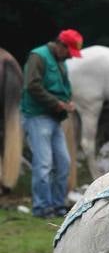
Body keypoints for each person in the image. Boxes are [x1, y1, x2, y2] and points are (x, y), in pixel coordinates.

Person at [21, 29, 82, 218]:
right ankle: (41, 207)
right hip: (37, 116)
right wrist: (55, 103)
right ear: (61, 45)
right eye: (69, 52)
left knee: (64, 163)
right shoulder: (38, 56)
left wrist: (68, 101)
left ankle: (57, 205)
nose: (70, 57)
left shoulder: (61, 61)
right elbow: (32, 86)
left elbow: (65, 86)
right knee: (44, 164)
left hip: (55, 118)